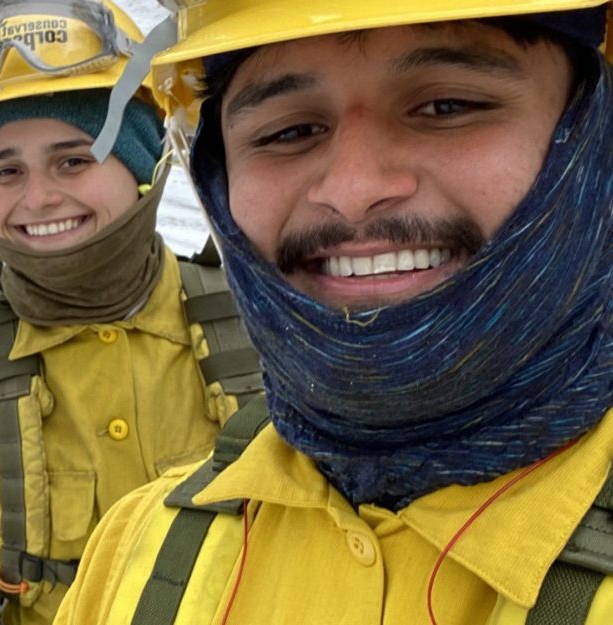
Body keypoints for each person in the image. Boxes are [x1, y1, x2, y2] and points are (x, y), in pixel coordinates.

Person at [54, 1, 613, 623]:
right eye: (287, 132)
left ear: (592, 135)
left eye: (447, 106)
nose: (352, 190)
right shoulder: (135, 550)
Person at [0, 1, 262, 624]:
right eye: (4, 170)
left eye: (74, 160)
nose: (38, 197)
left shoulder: (258, 313)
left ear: (144, 165)